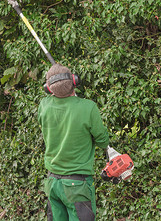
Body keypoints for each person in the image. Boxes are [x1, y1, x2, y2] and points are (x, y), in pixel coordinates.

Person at [38, 64, 110, 221]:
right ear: (74, 81)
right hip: (77, 185)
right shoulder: (88, 107)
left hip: (52, 183)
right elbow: (103, 140)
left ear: (48, 89)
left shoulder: (44, 106)